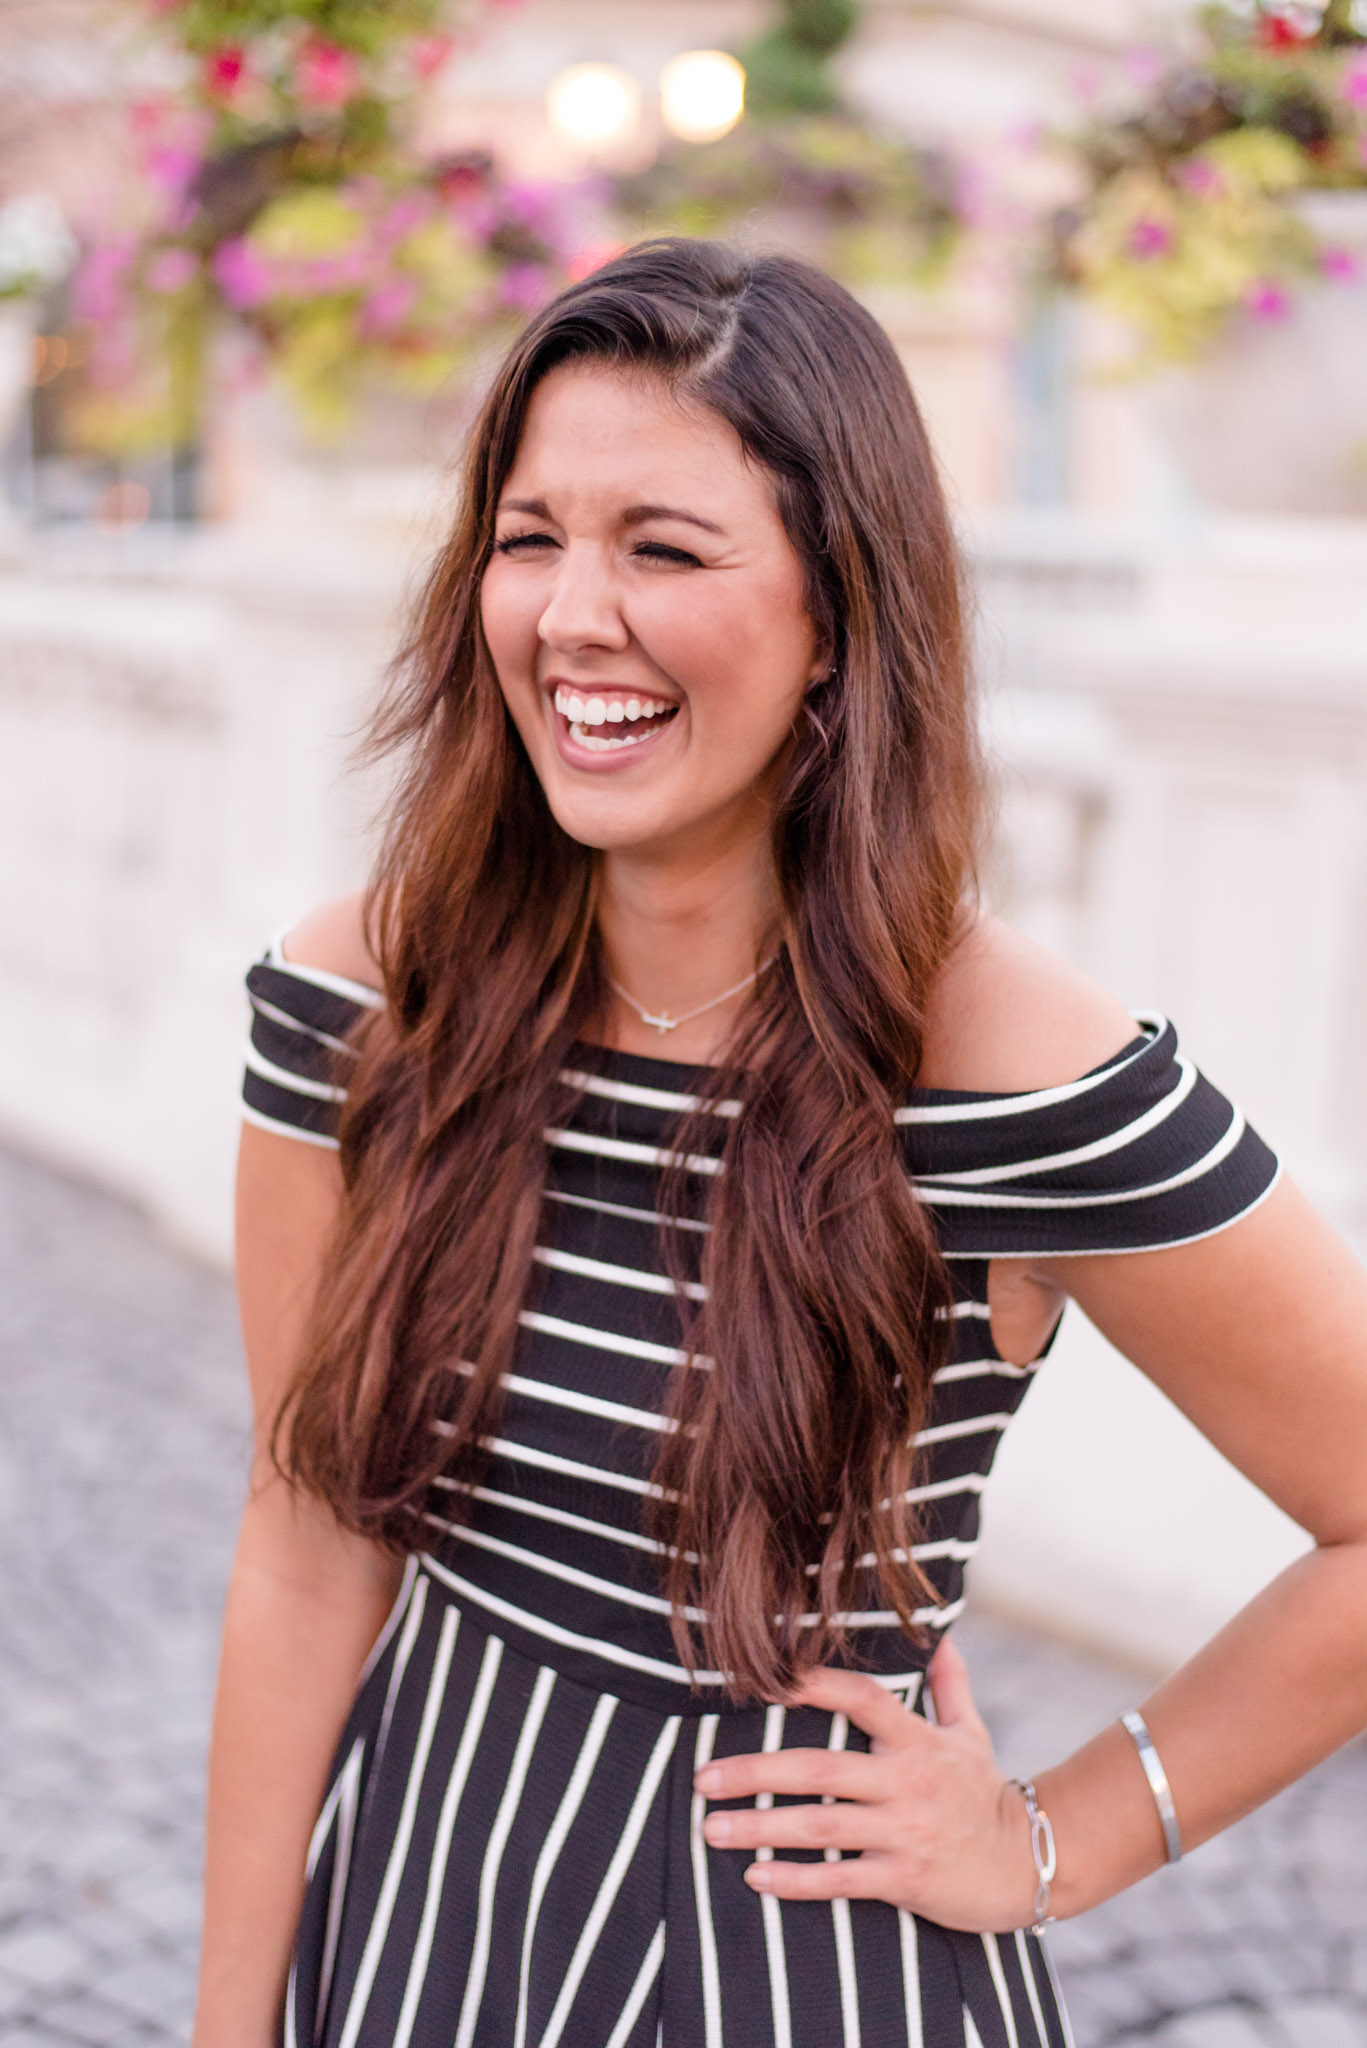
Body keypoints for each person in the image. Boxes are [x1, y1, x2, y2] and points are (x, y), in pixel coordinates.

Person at [195, 239, 1367, 2048]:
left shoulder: (1015, 1074)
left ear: (839, 617)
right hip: (416, 1915)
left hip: (801, 1976)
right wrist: (229, 2026)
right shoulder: (364, 1000)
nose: (575, 615)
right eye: (530, 538)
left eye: (663, 548)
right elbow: (306, 1541)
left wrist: (1055, 1833)